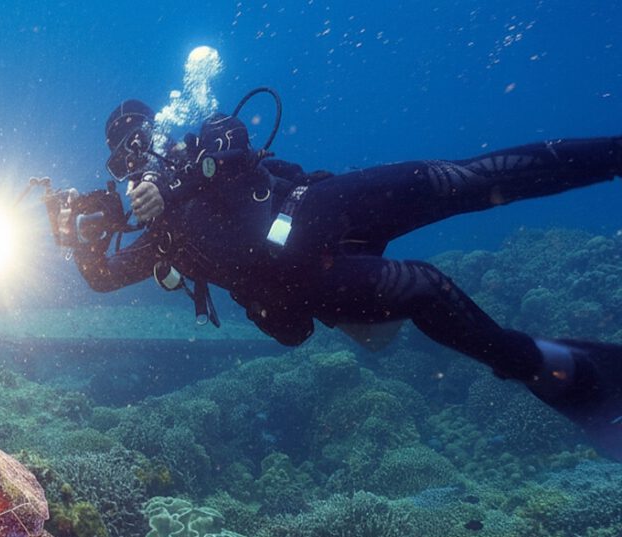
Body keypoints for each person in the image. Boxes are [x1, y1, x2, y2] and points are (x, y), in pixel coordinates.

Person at [69, 97, 622, 459]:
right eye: (124, 159)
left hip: (318, 206)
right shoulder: (159, 239)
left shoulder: (202, 146)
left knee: (456, 179)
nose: (138, 159)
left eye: (143, 139)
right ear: (118, 173)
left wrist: (181, 182)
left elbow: (234, 138)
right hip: (297, 281)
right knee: (425, 285)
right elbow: (102, 278)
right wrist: (78, 237)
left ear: (161, 131)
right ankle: (563, 373)